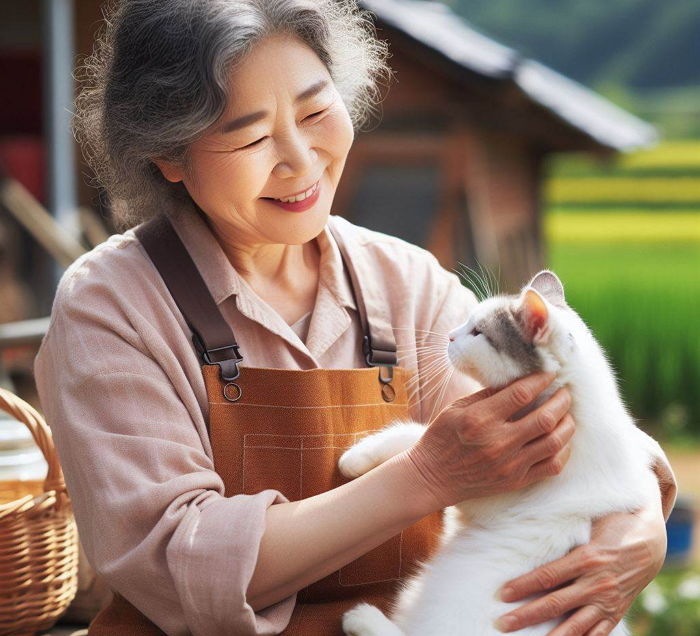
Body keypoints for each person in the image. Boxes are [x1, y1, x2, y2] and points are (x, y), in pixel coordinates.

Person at [34, 1, 676, 634]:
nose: (301, 159)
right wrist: (425, 475)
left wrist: (637, 529)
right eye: (253, 137)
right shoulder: (111, 305)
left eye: (316, 111)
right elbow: (177, 564)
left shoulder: (403, 279)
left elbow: (563, 425)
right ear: (168, 156)